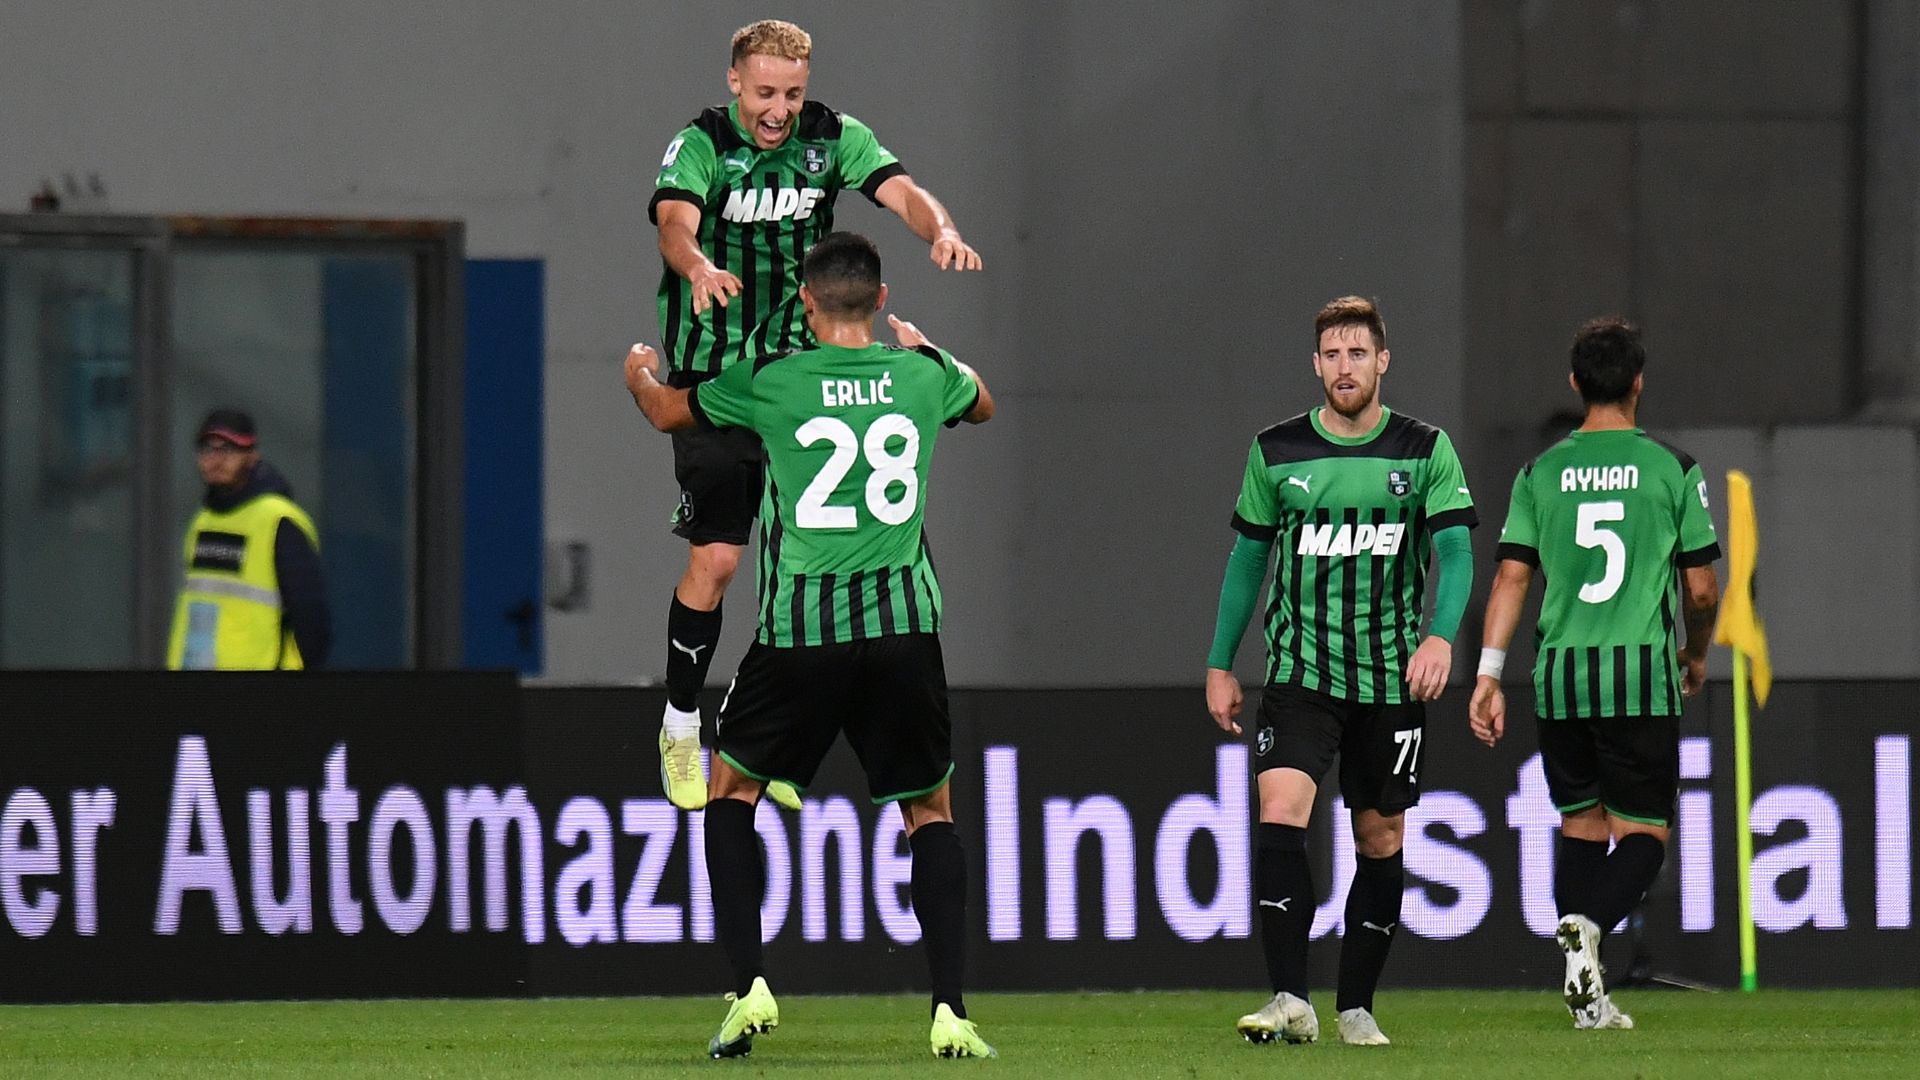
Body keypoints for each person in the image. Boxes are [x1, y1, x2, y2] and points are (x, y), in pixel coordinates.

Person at [625, 232, 995, 1060]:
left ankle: (750, 985)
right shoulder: (920, 376)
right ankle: (949, 1010)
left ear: (805, 302)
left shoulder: (773, 379)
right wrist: (927, 346)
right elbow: (984, 403)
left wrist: (638, 371)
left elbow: (666, 412)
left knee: (729, 794)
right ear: (883, 296)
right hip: (905, 629)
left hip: (803, 633)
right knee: (927, 811)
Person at [649, 18, 983, 813]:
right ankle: (679, 719)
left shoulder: (831, 136)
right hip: (720, 368)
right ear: (736, 82)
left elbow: (899, 188)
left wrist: (941, 230)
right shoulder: (700, 144)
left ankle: (775, 747)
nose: (779, 109)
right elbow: (673, 221)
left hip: (807, 372)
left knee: (819, 551)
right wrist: (697, 266)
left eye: (792, 94)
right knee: (722, 560)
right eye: (766, 93)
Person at [1205, 296, 1477, 1047]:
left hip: (1391, 679)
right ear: (1316, 364)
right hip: (1301, 674)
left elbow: (1454, 551)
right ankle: (1291, 998)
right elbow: (1248, 561)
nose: (1345, 366)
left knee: (1381, 837)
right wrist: (1220, 664)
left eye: (1358, 353)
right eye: (1332, 354)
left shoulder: (1424, 449)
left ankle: (1355, 1005)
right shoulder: (1278, 450)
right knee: (1280, 811)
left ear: (1383, 361)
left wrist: (1440, 638)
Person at [1468, 317, 1720, 1030]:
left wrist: (1488, 673)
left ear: (1576, 383)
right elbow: (1701, 590)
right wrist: (1696, 652)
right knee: (1645, 833)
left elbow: (1513, 578)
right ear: (1639, 381)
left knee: (1582, 824)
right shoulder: (1673, 468)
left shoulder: (1539, 473)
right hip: (1638, 674)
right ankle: (1590, 929)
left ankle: (1588, 995)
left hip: (1562, 676)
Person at [166, 409, 331, 670]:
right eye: (208, 449)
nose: (216, 460)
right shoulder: (202, 522)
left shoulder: (278, 521)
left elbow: (311, 618)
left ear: (252, 457)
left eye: (229, 450)